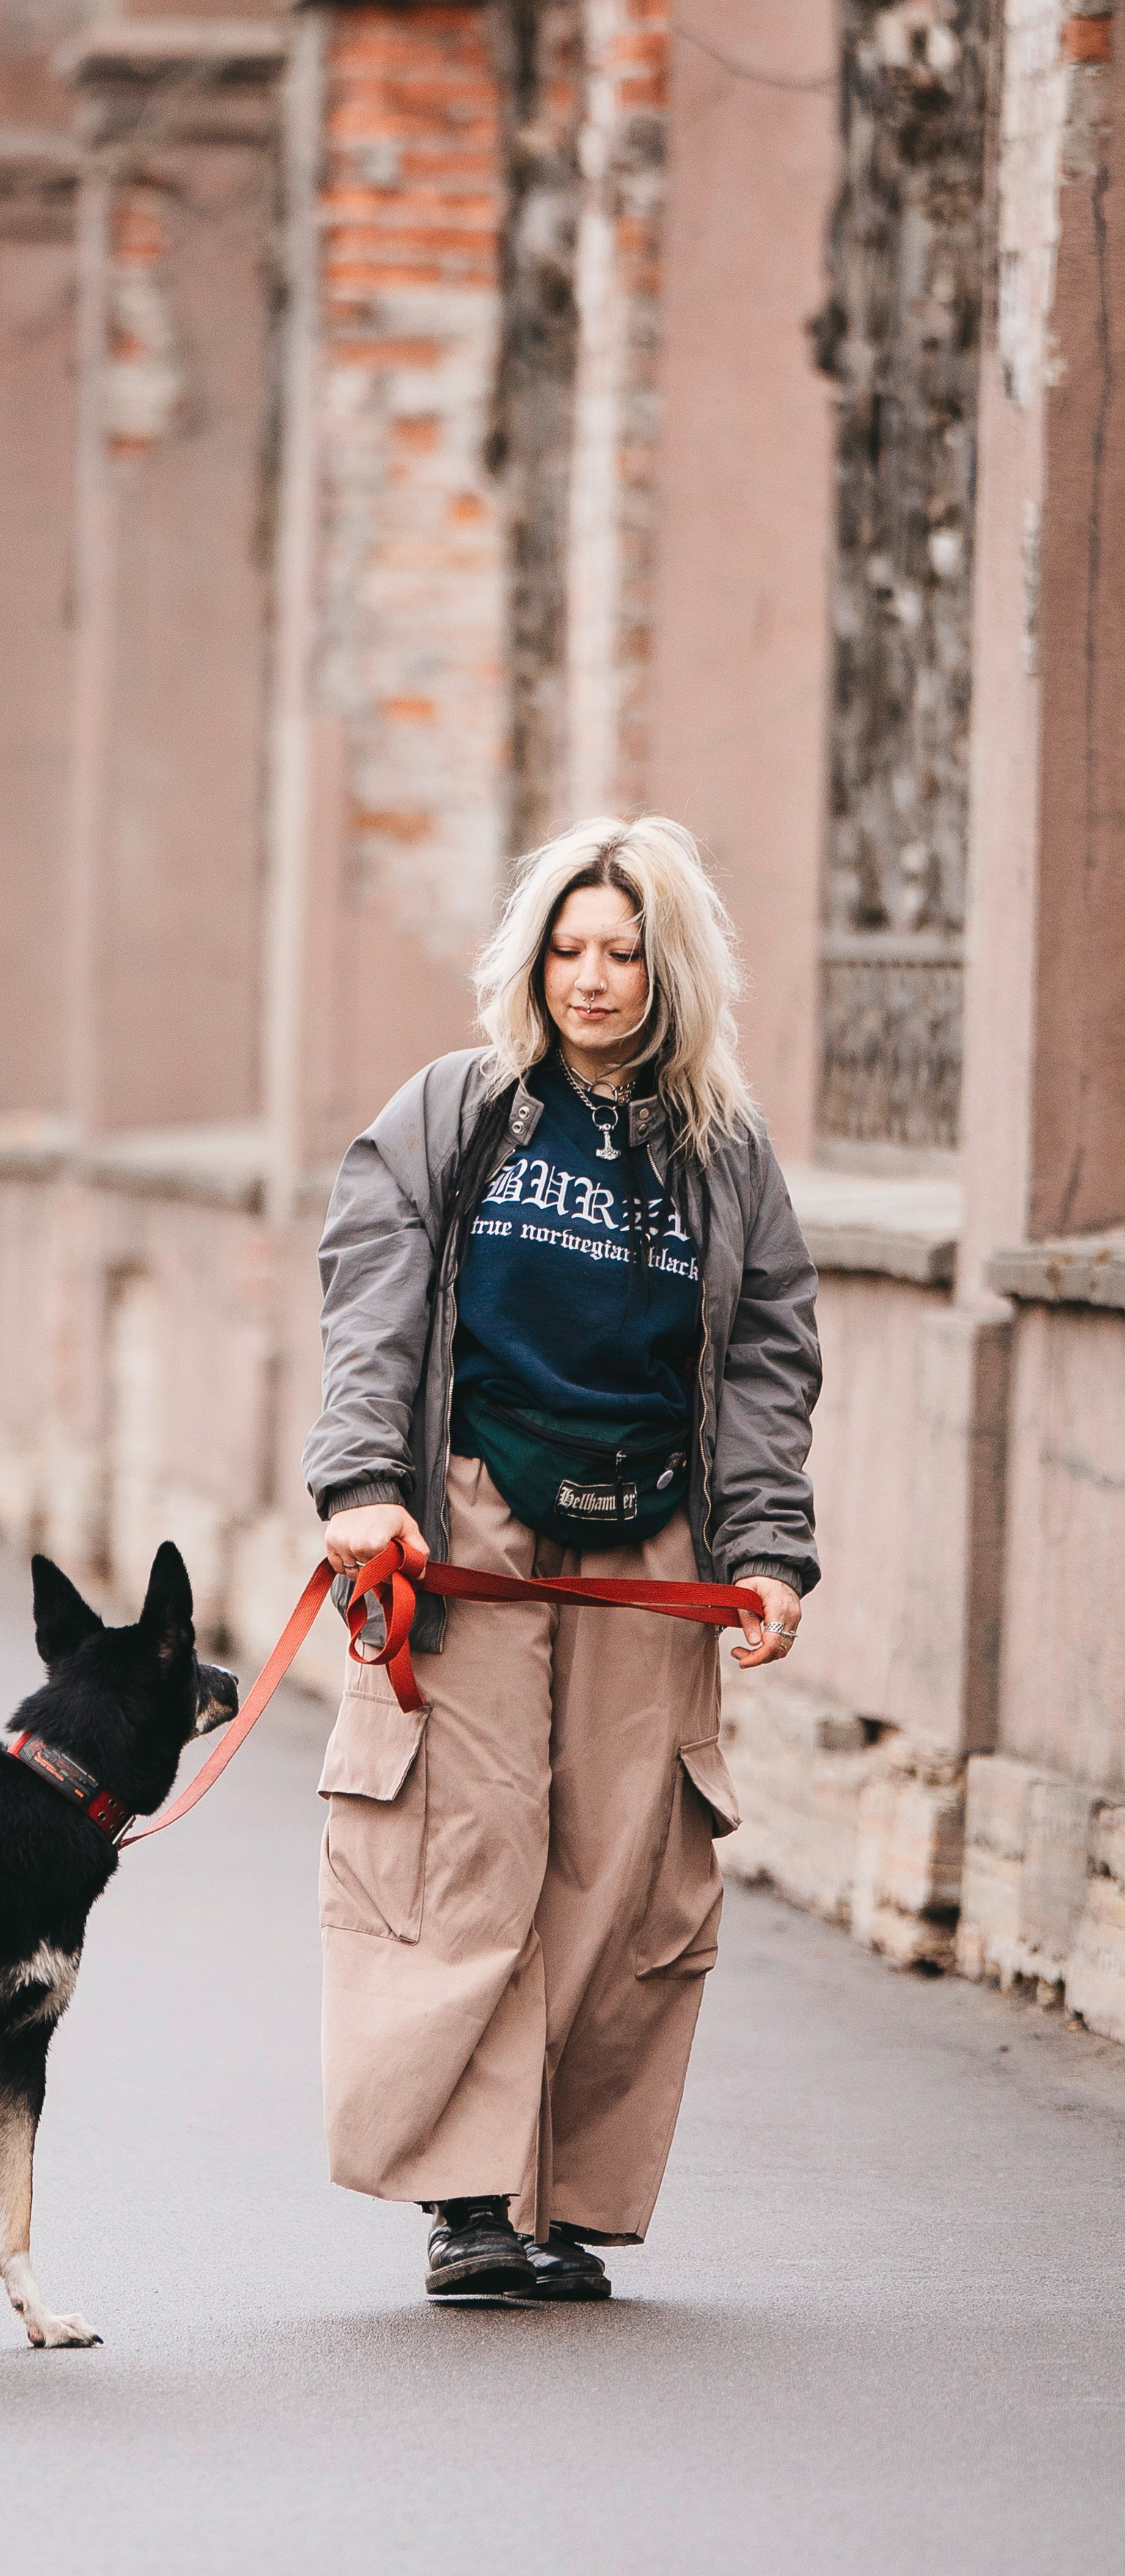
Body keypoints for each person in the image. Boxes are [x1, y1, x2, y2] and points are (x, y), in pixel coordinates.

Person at [304, 815, 820, 2304]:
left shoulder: (724, 1152)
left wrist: (767, 1544)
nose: (591, 978)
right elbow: (372, 1300)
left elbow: (769, 1354)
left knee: (625, 1860)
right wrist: (361, 1484)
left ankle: (567, 2192)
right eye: (567, 949)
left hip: (650, 1528)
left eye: (622, 953)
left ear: (670, 971)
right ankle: (470, 2199)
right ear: (532, 962)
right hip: (471, 1514)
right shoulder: (456, 1112)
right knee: (467, 1844)